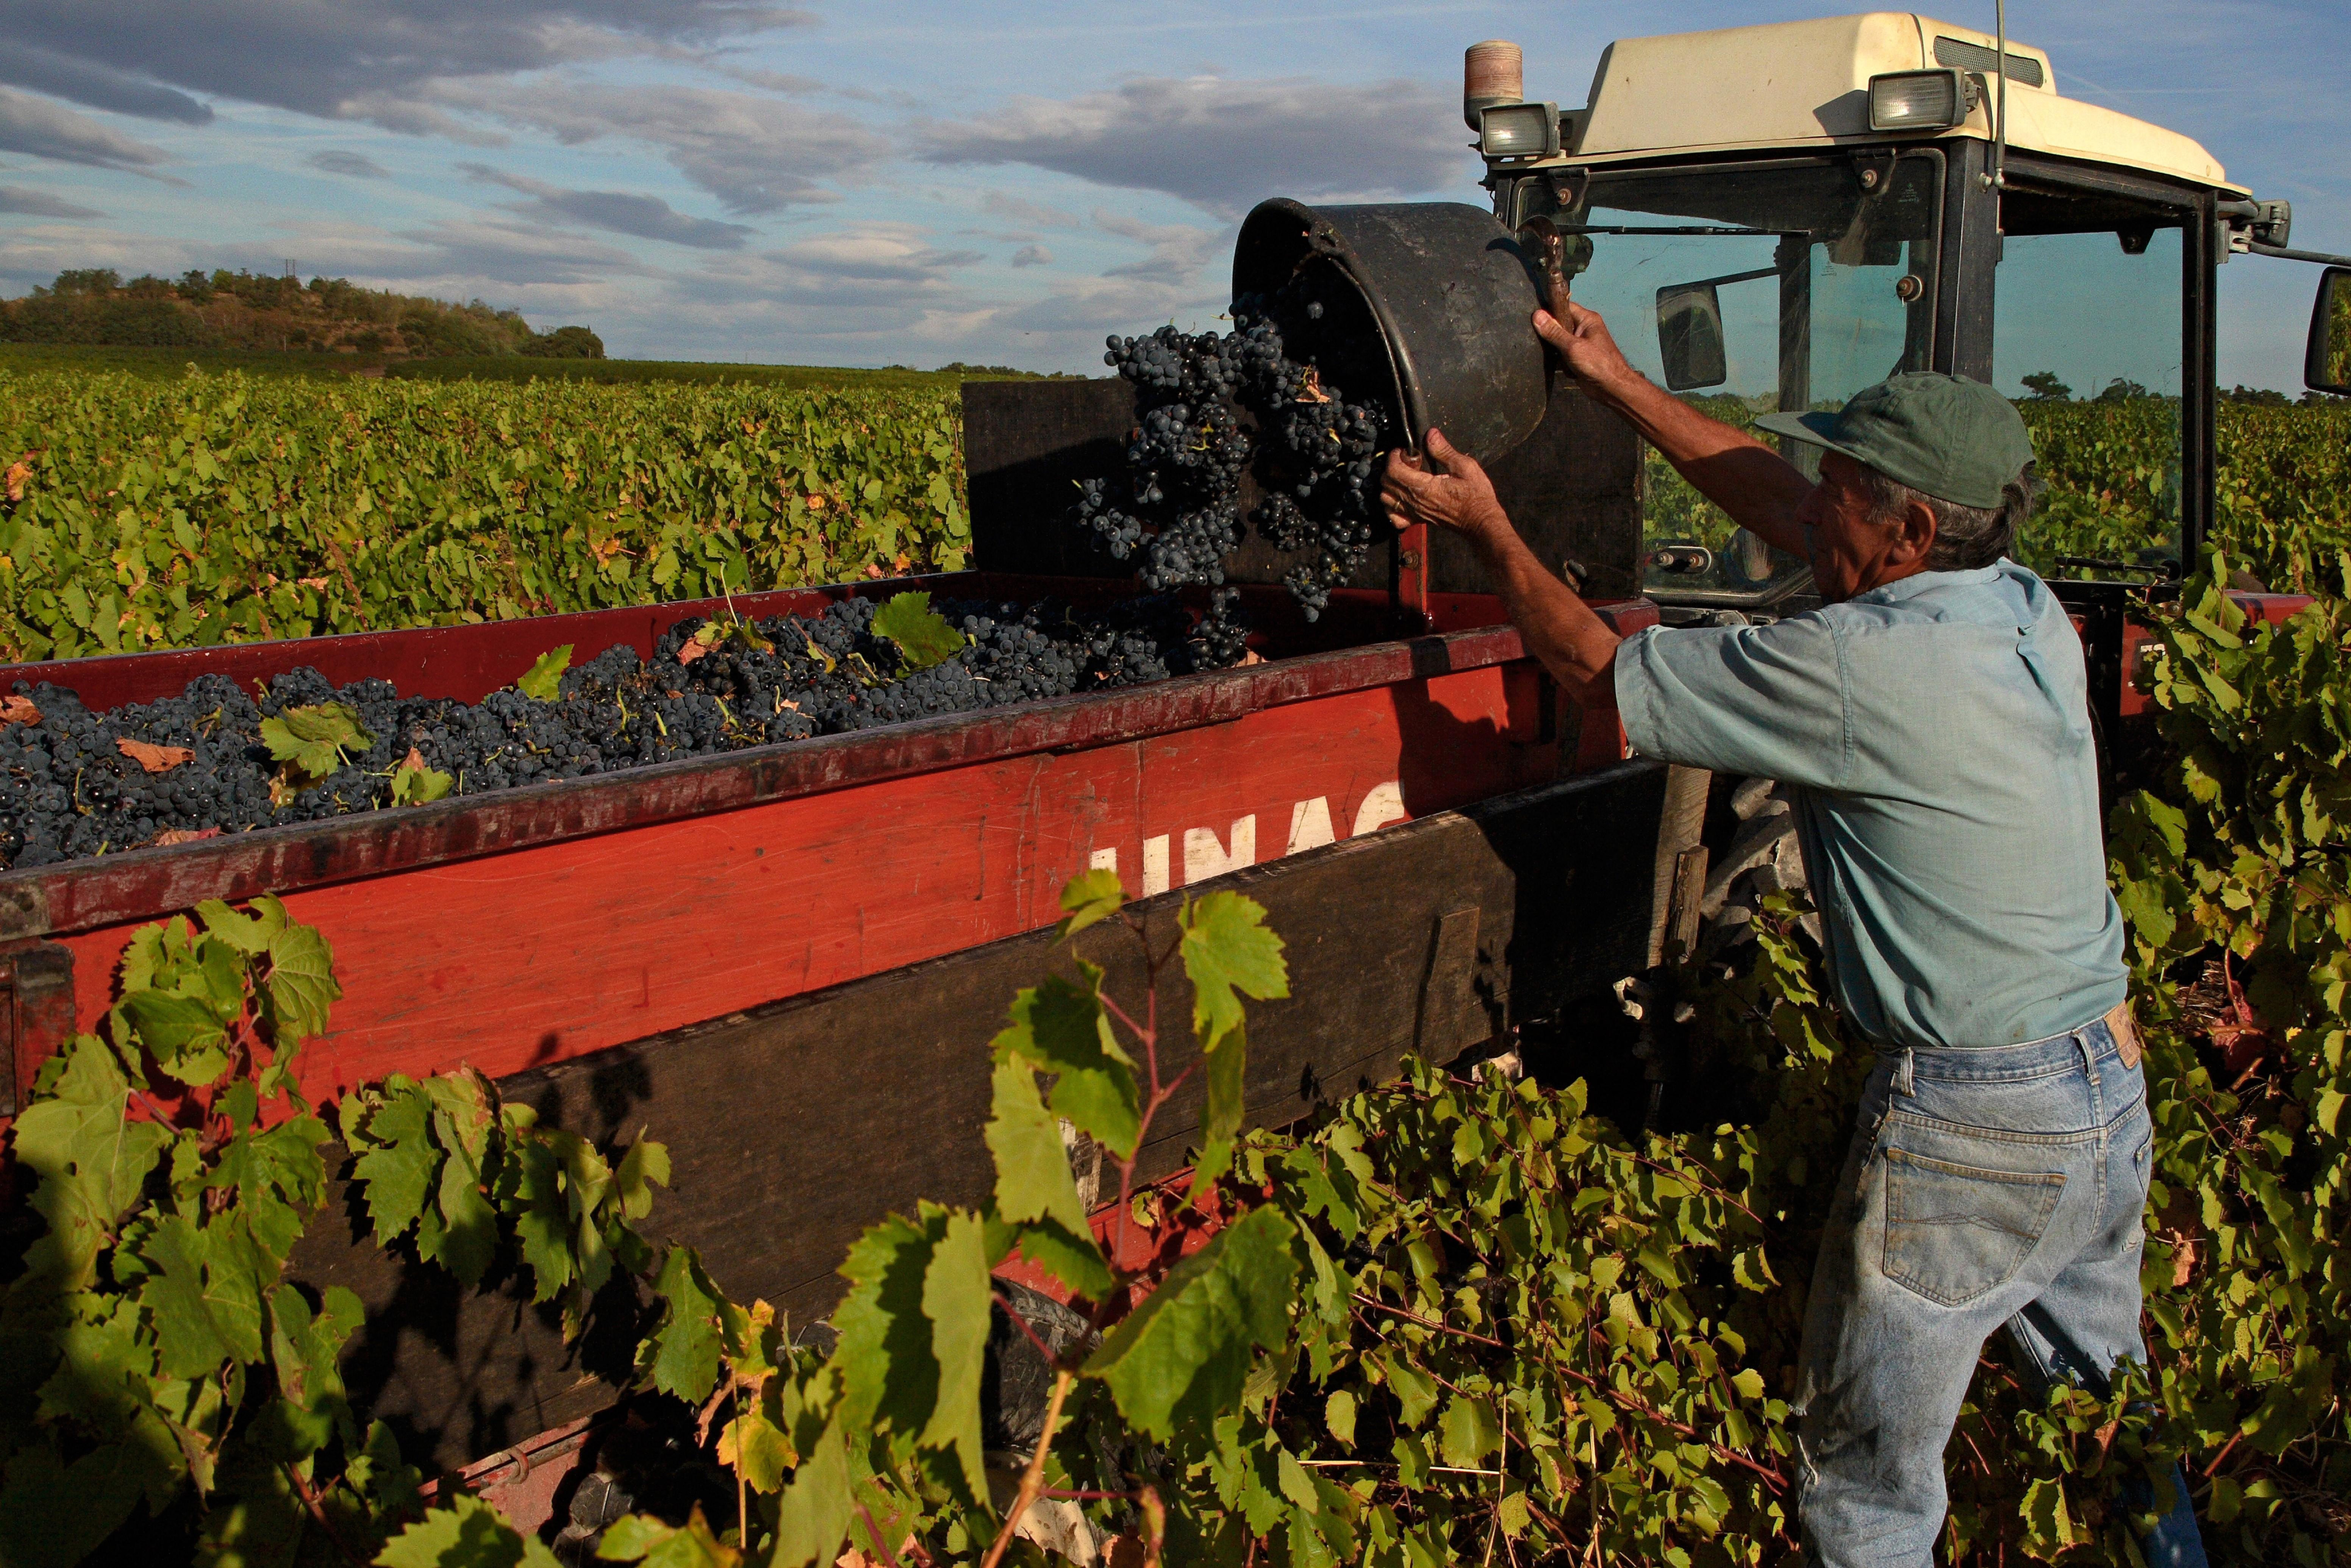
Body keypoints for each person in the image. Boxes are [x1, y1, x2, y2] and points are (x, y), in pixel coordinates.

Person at [1379, 299, 2206, 1568]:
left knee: (1867, 1498)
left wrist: (1488, 527)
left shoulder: (1856, 665)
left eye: (1846, 498)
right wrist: (1616, 382)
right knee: (2116, 1419)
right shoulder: (2020, 603)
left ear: (1914, 528)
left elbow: (1601, 671)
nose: (1813, 514)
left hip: (1975, 1126)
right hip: (2104, 1084)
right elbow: (1778, 504)